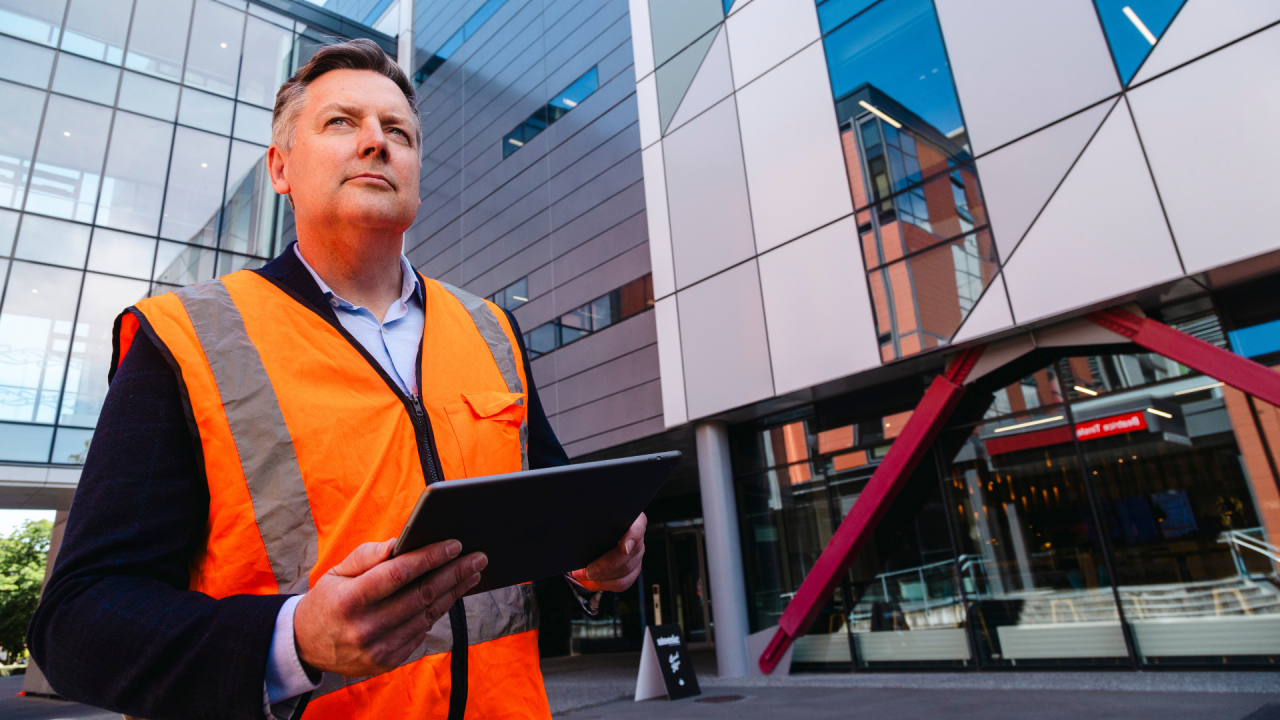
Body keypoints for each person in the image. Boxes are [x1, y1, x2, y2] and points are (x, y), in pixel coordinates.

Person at [27, 39, 645, 720]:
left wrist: (595, 564)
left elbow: (546, 540)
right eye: (341, 122)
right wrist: (292, 642)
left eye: (399, 132)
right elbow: (78, 623)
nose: (377, 143)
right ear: (281, 167)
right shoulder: (182, 337)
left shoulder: (492, 329)